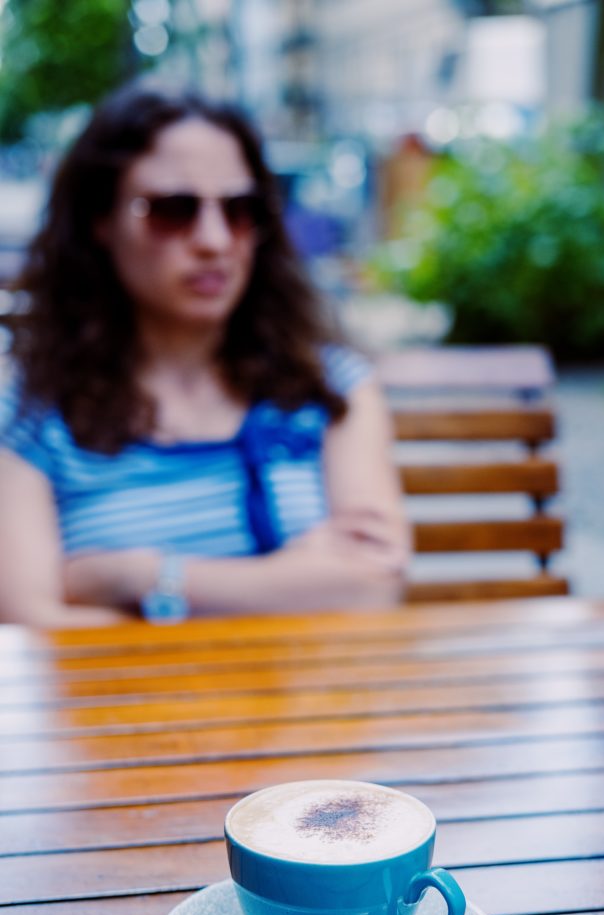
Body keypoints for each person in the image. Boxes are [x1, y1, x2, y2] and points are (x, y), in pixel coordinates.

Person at [0, 82, 409, 627]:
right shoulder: (30, 410)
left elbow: (372, 586)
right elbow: (32, 627)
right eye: (173, 210)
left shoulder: (328, 384)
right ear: (100, 221)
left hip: (314, 707)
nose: (214, 240)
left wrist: (137, 578)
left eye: (240, 210)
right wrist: (296, 580)